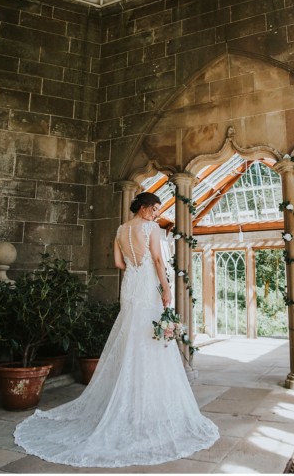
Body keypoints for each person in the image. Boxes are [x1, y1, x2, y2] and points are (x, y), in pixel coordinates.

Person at [14, 192, 219, 467]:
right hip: (147, 285)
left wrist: (137, 266)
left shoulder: (121, 229)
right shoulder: (151, 229)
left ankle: (129, 402)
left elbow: (119, 264)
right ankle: (147, 408)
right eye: (155, 209)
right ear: (145, 208)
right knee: (151, 342)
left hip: (131, 287)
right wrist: (167, 288)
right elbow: (158, 260)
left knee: (132, 338)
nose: (157, 214)